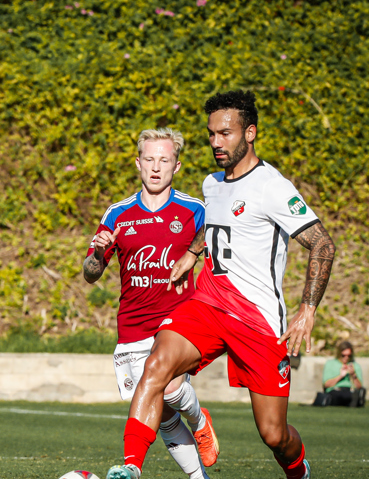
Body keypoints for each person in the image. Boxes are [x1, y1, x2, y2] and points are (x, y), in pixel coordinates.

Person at [106, 90, 336, 479]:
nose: (215, 142)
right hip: (208, 304)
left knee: (274, 434)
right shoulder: (212, 183)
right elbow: (214, 222)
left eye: (225, 133)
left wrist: (307, 311)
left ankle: (299, 471)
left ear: (250, 133)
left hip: (257, 321)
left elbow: (322, 244)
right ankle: (130, 469)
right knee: (156, 366)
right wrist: (193, 253)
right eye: (211, 134)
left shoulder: (272, 186)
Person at [84, 128, 217, 479]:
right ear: (138, 163)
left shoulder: (195, 210)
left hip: (178, 322)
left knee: (170, 386)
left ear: (176, 166)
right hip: (132, 329)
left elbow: (220, 239)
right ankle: (197, 476)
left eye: (165, 160)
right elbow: (90, 273)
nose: (156, 167)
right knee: (163, 417)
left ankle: (199, 419)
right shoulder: (118, 214)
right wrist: (97, 252)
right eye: (150, 159)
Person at [321, 341, 365, 407]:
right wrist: (341, 376)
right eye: (343, 355)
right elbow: (326, 385)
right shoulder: (330, 364)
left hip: (349, 390)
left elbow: (359, 387)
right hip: (335, 390)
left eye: (349, 356)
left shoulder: (355, 365)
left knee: (353, 395)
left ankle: (354, 401)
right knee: (337, 395)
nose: (346, 358)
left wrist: (353, 375)